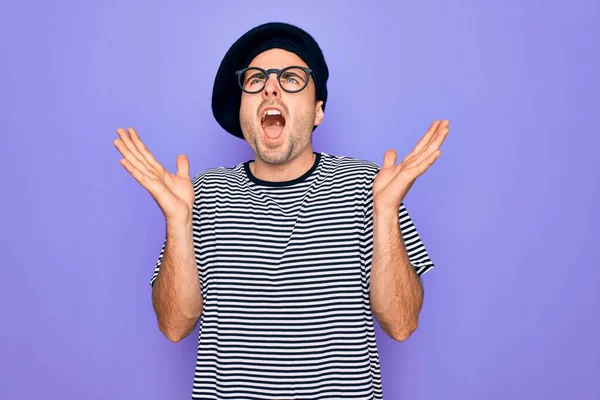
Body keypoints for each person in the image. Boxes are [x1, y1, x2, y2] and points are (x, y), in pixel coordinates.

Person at [113, 21, 449, 400]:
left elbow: (402, 324)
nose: (270, 86)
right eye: (255, 80)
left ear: (318, 110)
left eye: (290, 78)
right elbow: (174, 326)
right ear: (243, 113)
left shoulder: (372, 187)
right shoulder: (199, 195)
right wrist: (178, 222)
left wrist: (385, 212)